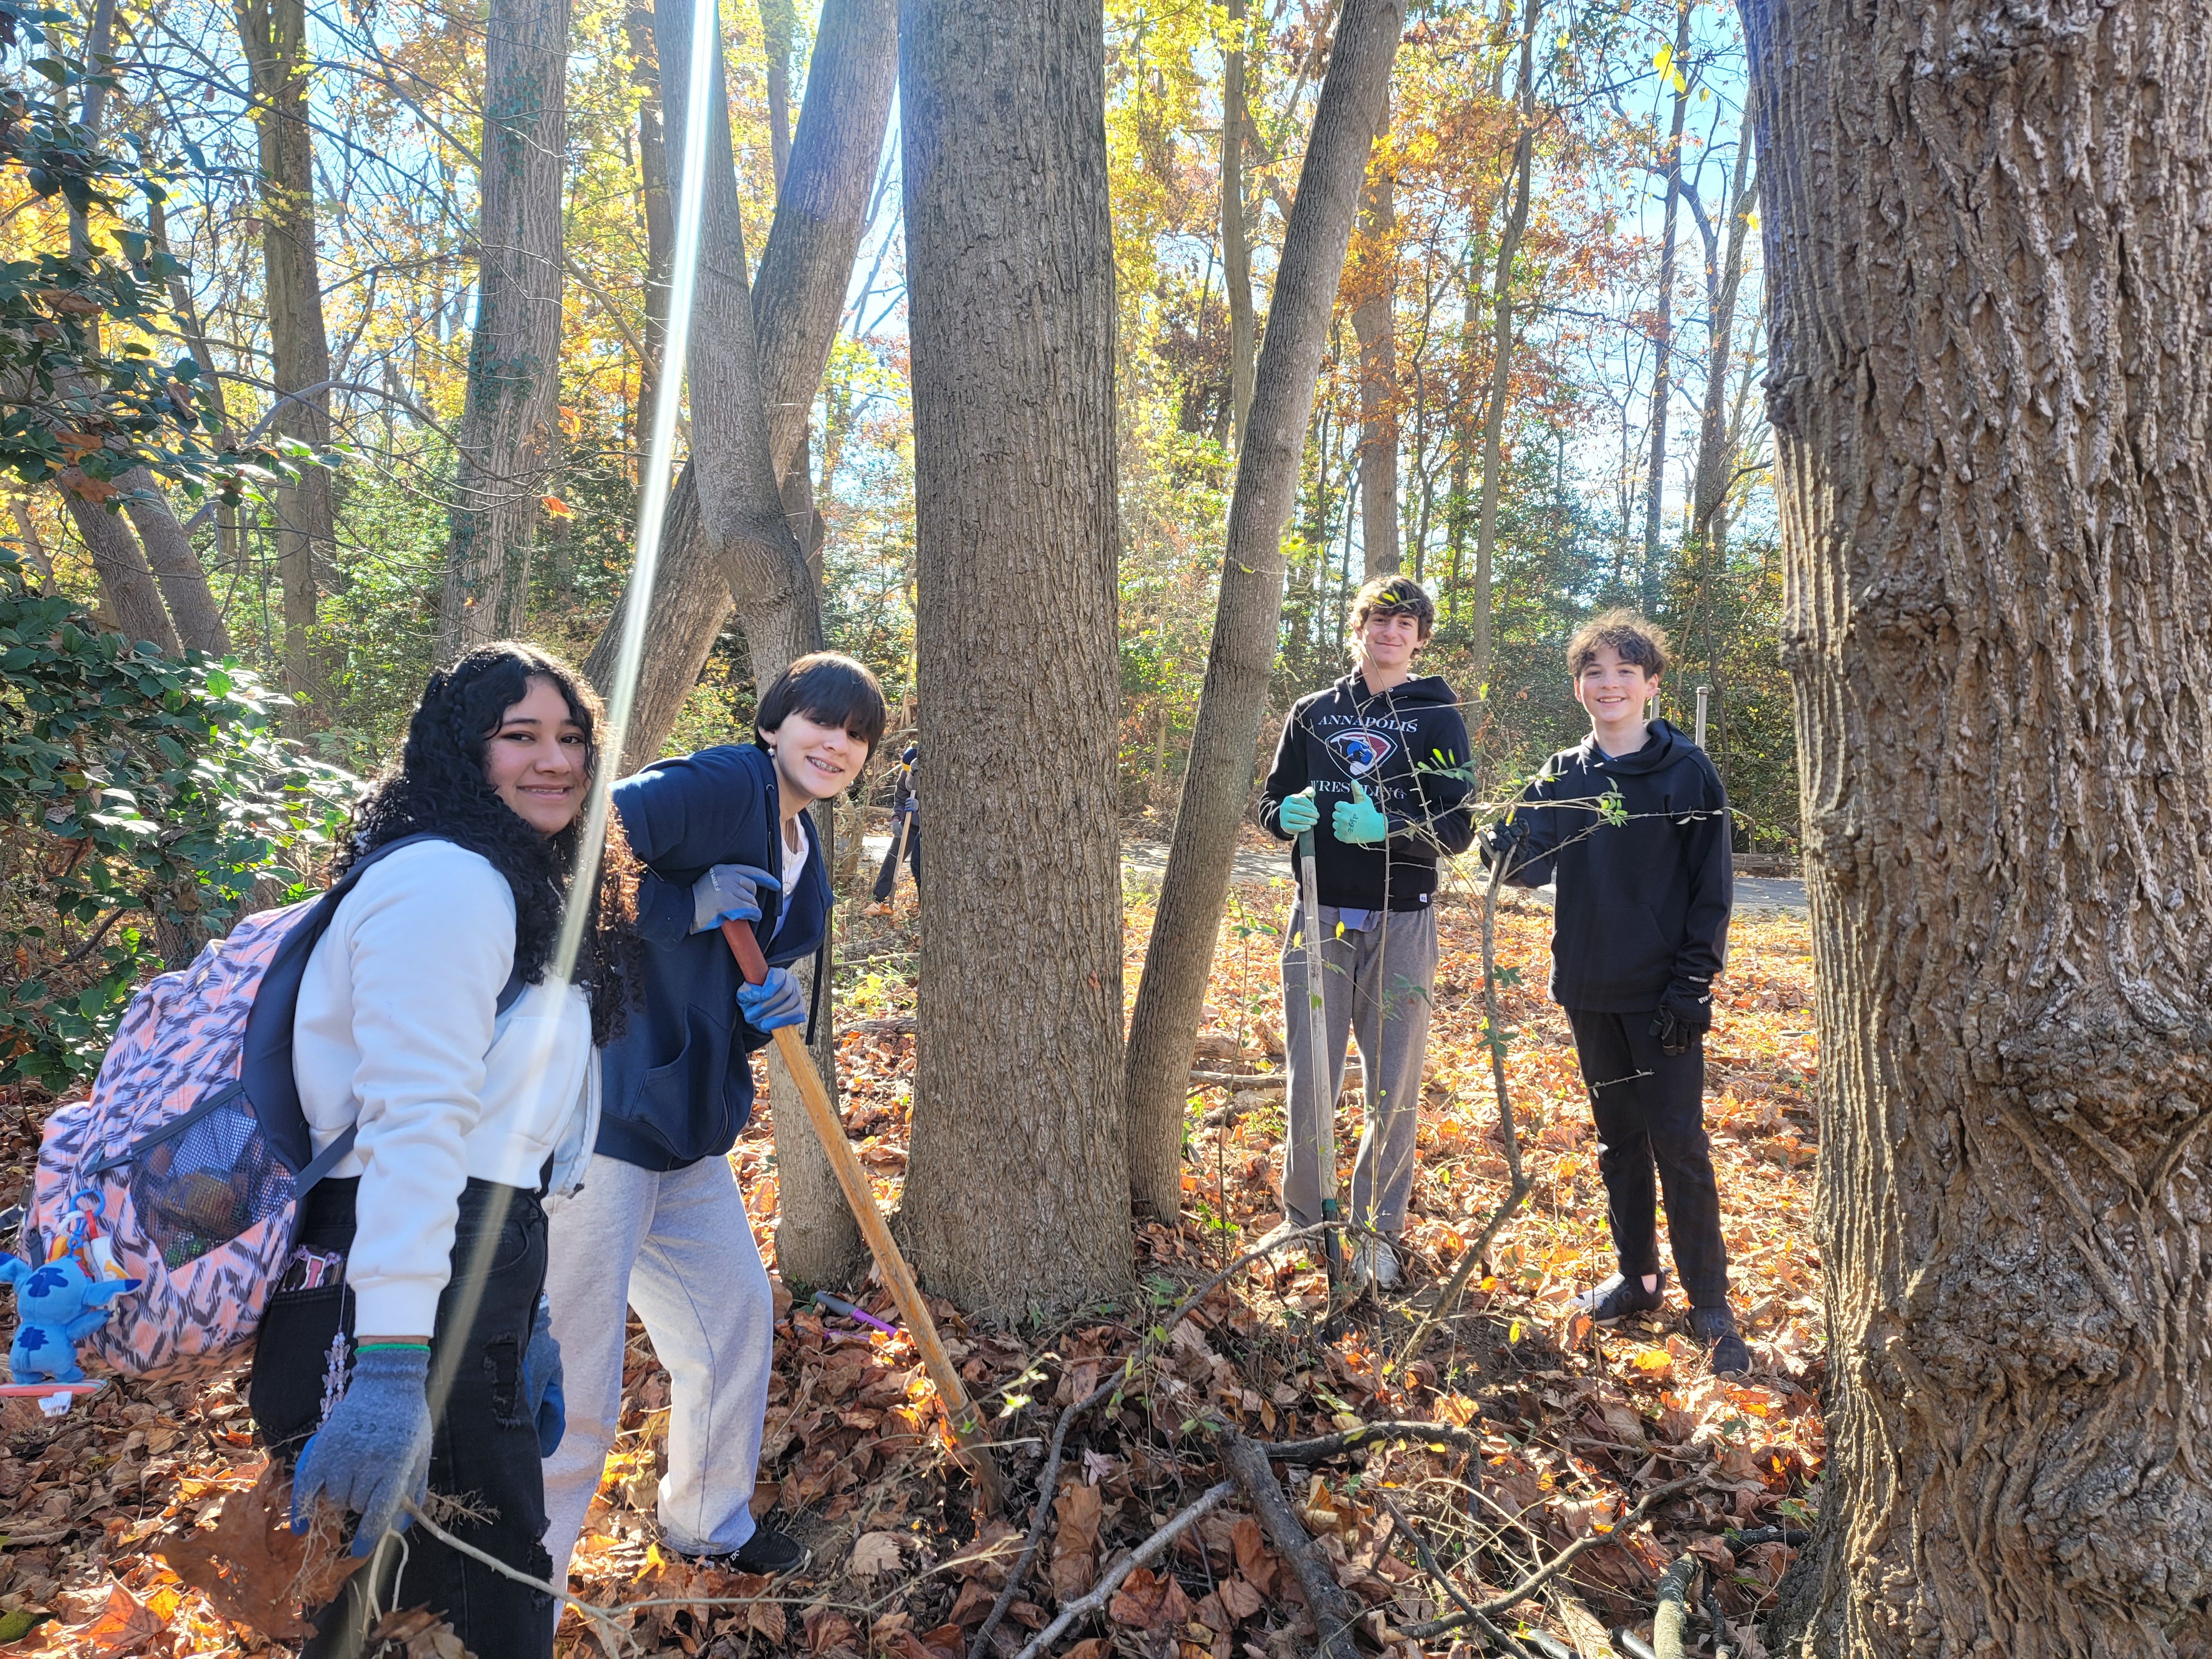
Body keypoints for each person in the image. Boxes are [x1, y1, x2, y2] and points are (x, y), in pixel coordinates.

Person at [252, 643, 639, 1658]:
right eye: (519, 737)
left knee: (404, 1610)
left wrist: (529, 1313)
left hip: (457, 1268)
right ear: (460, 755)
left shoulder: (504, 878)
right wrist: (387, 1372)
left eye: (571, 738)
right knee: (456, 1617)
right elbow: (412, 1132)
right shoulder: (450, 885)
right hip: (399, 1284)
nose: (554, 761)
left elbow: (502, 1130)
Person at [541, 651, 886, 1580]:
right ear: (773, 724)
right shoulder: (724, 780)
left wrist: (766, 1011)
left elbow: (728, 995)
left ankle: (707, 1526)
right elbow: (567, 840)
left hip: (684, 1134)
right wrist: (681, 901)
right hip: (604, 1118)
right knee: (578, 1369)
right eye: (822, 721)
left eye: (858, 735)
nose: (838, 744)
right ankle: (517, 1583)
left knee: (732, 1321)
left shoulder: (806, 866)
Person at [1482, 609, 1750, 1374]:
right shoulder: (1564, 774)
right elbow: (1525, 869)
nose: (1609, 685)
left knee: (1679, 1145)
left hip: (1665, 996)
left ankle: (1710, 1303)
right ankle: (1637, 1279)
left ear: (1650, 684)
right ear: (1579, 687)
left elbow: (1712, 889)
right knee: (1618, 1143)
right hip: (1591, 988)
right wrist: (1503, 848)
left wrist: (1694, 983)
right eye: (1595, 672)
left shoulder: (1686, 772)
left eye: (1624, 672)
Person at [1258, 576, 1474, 1290]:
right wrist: (1279, 818)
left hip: (1403, 918)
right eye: (1378, 620)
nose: (1389, 633)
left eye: (1404, 623)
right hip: (1318, 911)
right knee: (1309, 1076)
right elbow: (1272, 796)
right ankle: (1302, 1219)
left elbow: (1458, 828)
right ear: (1358, 629)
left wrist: (1394, 830)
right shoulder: (1315, 712)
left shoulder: (1440, 717)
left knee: (1394, 1085)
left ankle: (1377, 1232)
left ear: (1420, 637)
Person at [872, 742, 920, 901]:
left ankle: (925, 903)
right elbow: (899, 800)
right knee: (893, 858)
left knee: (918, 865)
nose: (906, 775)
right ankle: (879, 897)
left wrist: (921, 809)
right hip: (909, 826)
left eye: (910, 772)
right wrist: (896, 819)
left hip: (928, 829)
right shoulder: (904, 776)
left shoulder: (925, 777)